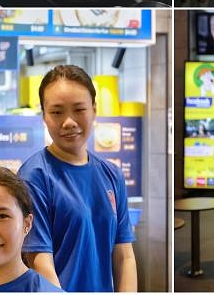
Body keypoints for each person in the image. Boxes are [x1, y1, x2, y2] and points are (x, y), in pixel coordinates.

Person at [18, 65, 137, 292]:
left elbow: (124, 256)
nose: (69, 122)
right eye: (57, 112)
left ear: (94, 110)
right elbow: (40, 261)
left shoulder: (111, 174)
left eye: (79, 109)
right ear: (43, 115)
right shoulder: (34, 176)